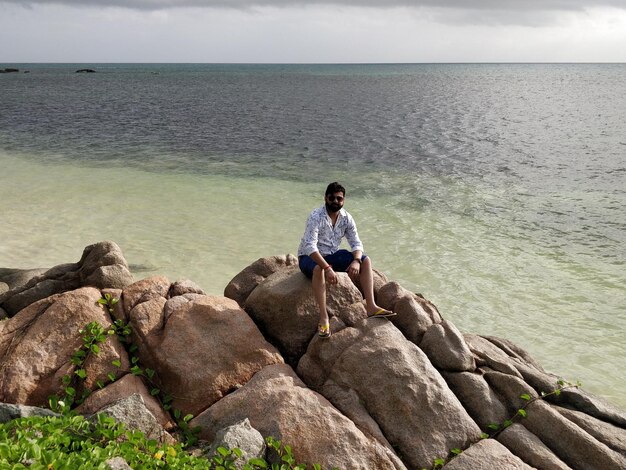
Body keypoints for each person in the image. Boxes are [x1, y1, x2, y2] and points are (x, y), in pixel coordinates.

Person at [298, 182, 395, 338]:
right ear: (325, 198)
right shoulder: (315, 216)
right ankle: (323, 317)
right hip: (309, 257)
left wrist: (356, 260)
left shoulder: (346, 218)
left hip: (332, 254)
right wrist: (328, 268)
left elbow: (356, 243)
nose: (335, 201)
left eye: (339, 198)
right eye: (332, 198)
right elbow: (310, 246)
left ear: (343, 200)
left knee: (365, 260)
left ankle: (371, 306)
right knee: (319, 269)